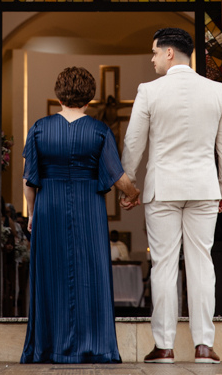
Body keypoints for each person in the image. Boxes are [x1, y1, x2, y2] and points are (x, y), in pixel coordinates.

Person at [121, 28, 222, 364]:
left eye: (155, 52)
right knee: (202, 264)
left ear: (169, 52)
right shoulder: (217, 91)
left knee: (164, 266)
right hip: (204, 188)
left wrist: (129, 186)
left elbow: (133, 143)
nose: (152, 58)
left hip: (163, 189)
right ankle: (204, 345)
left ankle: (164, 346)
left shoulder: (149, 91)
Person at [20, 66, 140, 364]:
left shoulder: (39, 128)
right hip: (89, 207)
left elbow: (28, 181)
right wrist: (132, 193)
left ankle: (49, 347)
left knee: (50, 276)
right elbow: (117, 176)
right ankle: (94, 346)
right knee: (91, 274)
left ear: (59, 96)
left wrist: (33, 213)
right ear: (89, 98)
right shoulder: (100, 131)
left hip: (49, 205)